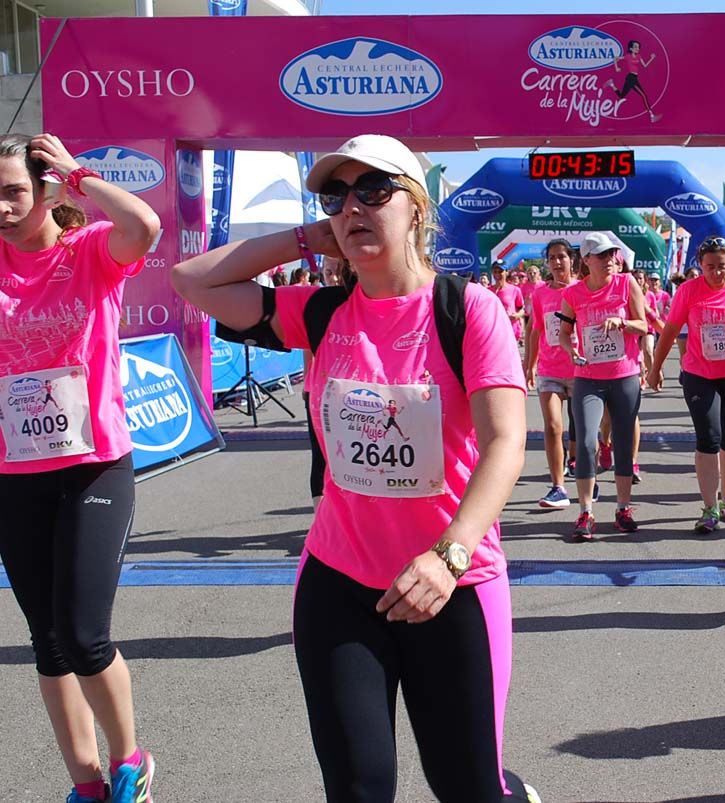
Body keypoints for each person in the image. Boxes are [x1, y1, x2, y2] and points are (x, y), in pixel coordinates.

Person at [171, 134, 538, 803]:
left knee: (469, 787)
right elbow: (192, 279)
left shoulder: (467, 310)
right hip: (339, 583)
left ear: (417, 208)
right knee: (359, 787)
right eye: (337, 195)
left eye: (375, 190)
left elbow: (506, 443)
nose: (353, 207)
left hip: (453, 585)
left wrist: (448, 557)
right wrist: (311, 235)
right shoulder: (320, 310)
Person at [0, 133, 161, 803]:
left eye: (13, 191)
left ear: (46, 192)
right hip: (15, 472)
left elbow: (144, 225)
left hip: (94, 466)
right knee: (46, 639)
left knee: (83, 631)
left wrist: (79, 174)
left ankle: (130, 761)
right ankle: (86, 785)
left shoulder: (91, 249)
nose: (2, 206)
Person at [648, 235, 725, 532]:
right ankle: (709, 507)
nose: (717, 273)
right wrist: (655, 367)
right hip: (700, 375)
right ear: (700, 266)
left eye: (722, 266)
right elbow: (670, 331)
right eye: (710, 267)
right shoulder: (689, 290)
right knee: (709, 438)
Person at [559, 231, 649, 539]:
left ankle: (623, 508)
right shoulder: (573, 294)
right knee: (585, 441)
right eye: (601, 255)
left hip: (624, 375)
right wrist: (570, 349)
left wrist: (621, 323)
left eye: (612, 254)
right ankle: (585, 512)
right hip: (588, 378)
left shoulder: (627, 283)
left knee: (623, 442)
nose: (610, 260)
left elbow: (643, 325)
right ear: (586, 260)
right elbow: (563, 332)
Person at [525, 239, 579, 508]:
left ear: (572, 260)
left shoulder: (583, 289)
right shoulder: (540, 294)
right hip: (550, 369)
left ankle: (582, 473)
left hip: (581, 369)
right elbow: (535, 331)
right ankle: (558, 487)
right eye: (552, 258)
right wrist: (529, 364)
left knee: (582, 432)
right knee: (553, 426)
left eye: (562, 257)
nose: (557, 263)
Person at [305, 256, 357, 511]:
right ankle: (321, 516)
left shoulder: (354, 302)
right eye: (327, 273)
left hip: (351, 393)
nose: (333, 278)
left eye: (338, 272)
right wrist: (306, 239)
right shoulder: (316, 306)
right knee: (321, 456)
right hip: (318, 391)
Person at [604, 40, 660, 122]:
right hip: (631, 78)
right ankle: (652, 116)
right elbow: (615, 58)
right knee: (644, 95)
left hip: (634, 78)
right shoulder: (628, 56)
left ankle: (612, 84)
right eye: (635, 47)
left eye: (638, 47)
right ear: (631, 48)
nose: (637, 48)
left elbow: (644, 65)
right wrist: (616, 68)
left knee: (621, 96)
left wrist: (651, 58)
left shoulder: (639, 56)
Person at [490, 261, 524, 342]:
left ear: (506, 272)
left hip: (510, 331)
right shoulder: (488, 291)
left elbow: (522, 309)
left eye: (500, 271)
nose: (498, 274)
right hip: (494, 331)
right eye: (495, 272)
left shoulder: (515, 290)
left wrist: (517, 315)